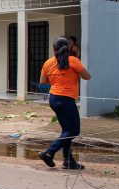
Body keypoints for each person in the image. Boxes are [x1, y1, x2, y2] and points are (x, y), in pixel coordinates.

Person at [38, 36, 91, 170]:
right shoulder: (73, 61)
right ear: (68, 48)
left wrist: (57, 78)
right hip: (66, 100)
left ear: (53, 49)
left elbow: (43, 81)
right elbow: (87, 76)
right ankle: (49, 153)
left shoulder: (48, 63)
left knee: (67, 131)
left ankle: (69, 161)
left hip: (54, 98)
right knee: (73, 130)